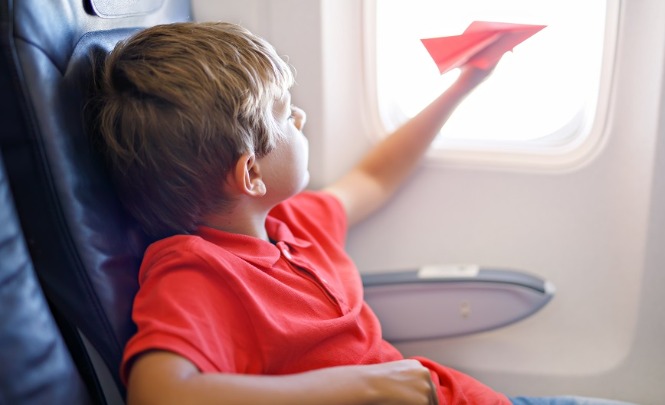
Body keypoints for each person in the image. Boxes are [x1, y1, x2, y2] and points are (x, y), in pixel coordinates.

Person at [95, 21, 635, 405]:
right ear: (250, 174)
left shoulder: (290, 223)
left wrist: (466, 82)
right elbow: (160, 394)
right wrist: (364, 386)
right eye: (284, 113)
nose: (300, 116)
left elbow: (374, 177)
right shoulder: (196, 271)